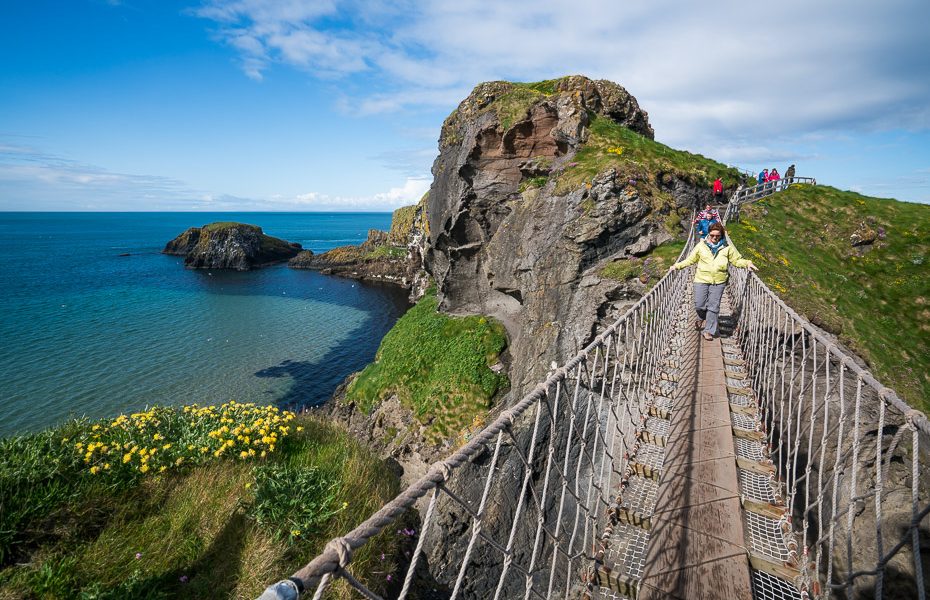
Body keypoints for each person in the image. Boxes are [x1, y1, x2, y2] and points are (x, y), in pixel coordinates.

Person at [668, 223, 758, 340]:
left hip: (719, 281)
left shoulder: (727, 248)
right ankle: (701, 318)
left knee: (713, 307)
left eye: (718, 236)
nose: (715, 238)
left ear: (722, 236)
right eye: (712, 235)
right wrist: (677, 266)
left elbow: (736, 260)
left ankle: (708, 331)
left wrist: (747, 263)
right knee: (699, 305)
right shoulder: (701, 246)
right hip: (701, 279)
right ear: (708, 234)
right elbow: (691, 259)